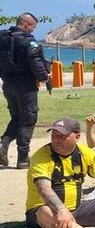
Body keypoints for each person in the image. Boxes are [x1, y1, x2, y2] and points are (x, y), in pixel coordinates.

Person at [0, 13, 50, 169]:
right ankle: (23, 158)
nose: (33, 31)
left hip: (8, 84)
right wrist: (45, 77)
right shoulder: (28, 41)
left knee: (17, 118)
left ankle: (3, 143)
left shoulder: (3, 38)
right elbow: (35, 62)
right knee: (28, 120)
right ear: (26, 24)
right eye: (33, 27)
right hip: (26, 87)